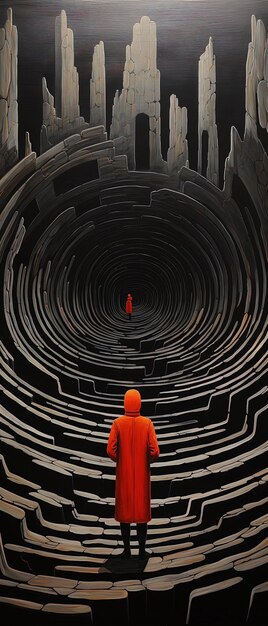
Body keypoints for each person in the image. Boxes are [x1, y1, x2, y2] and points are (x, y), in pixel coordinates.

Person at [107, 389, 160, 559]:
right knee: (141, 515)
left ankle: (127, 550)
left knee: (125, 514)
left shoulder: (117, 423)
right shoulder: (147, 423)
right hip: (142, 475)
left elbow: (110, 449)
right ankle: (142, 550)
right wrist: (146, 461)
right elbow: (155, 451)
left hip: (124, 475)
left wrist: (121, 461)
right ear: (139, 403)